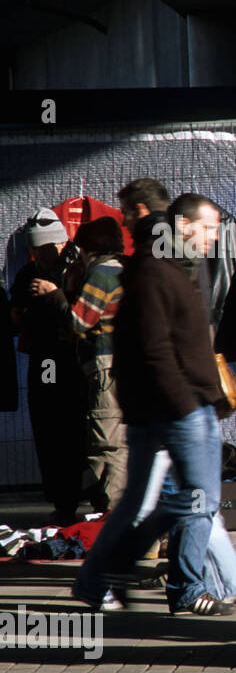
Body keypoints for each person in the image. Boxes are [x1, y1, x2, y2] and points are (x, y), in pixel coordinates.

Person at [73, 194, 233, 616]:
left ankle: (100, 578)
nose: (213, 237)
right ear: (182, 227)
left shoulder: (174, 267)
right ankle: (155, 576)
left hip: (173, 404)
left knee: (154, 501)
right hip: (178, 408)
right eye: (208, 228)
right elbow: (156, 347)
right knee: (198, 500)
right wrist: (187, 403)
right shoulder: (158, 271)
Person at [10, 208, 87, 525]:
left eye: (44, 248)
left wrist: (55, 296)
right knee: (48, 428)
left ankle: (90, 498)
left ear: (60, 244)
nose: (39, 255)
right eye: (34, 249)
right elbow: (16, 315)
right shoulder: (27, 275)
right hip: (45, 360)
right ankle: (63, 501)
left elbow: (86, 318)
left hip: (75, 361)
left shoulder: (79, 269)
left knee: (77, 431)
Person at [52, 218, 128, 513]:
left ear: (89, 249)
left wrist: (57, 297)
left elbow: (80, 322)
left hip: (104, 366)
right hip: (122, 364)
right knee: (120, 441)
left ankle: (109, 512)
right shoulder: (123, 269)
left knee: (106, 443)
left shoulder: (101, 273)